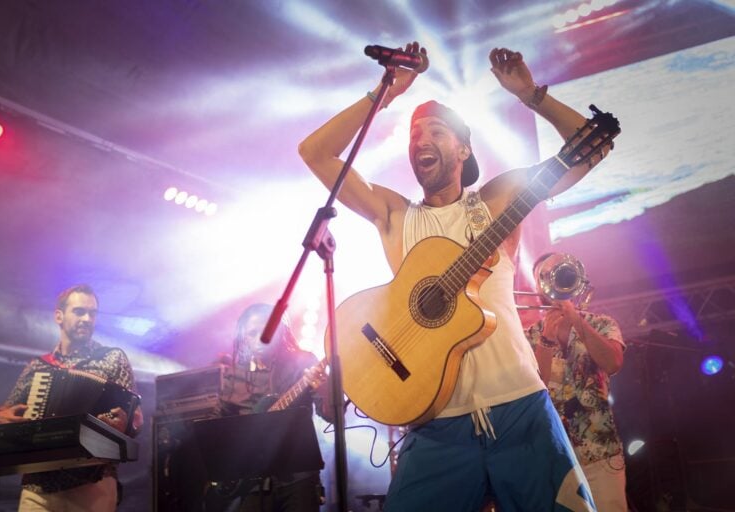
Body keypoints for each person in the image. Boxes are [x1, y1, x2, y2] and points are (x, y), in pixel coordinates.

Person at [298, 42, 612, 510]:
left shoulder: (497, 200)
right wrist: (386, 92)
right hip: (434, 423)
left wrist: (532, 95)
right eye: (413, 134)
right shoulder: (395, 216)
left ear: (462, 148)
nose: (419, 140)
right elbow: (315, 151)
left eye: (435, 131)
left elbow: (590, 148)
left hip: (521, 409)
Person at [0, 284, 143, 512]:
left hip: (94, 481)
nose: (87, 318)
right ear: (59, 316)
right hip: (38, 487)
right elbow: (2, 414)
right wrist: (1, 418)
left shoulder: (113, 358)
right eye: (79, 311)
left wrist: (126, 424)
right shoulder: (38, 367)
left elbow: (136, 418)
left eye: (92, 313)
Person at [525, 254, 628, 511]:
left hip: (601, 451)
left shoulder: (602, 324)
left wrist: (576, 320)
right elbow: (534, 389)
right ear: (538, 286)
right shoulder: (528, 337)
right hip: (553, 456)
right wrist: (547, 339)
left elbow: (613, 362)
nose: (552, 277)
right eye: (544, 274)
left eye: (558, 270)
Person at [213, 303, 332, 512]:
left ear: (280, 331)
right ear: (244, 338)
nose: (261, 337)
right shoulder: (234, 376)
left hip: (298, 476)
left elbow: (331, 415)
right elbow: (219, 431)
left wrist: (323, 387)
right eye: (252, 333)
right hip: (251, 483)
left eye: (267, 330)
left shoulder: (303, 362)